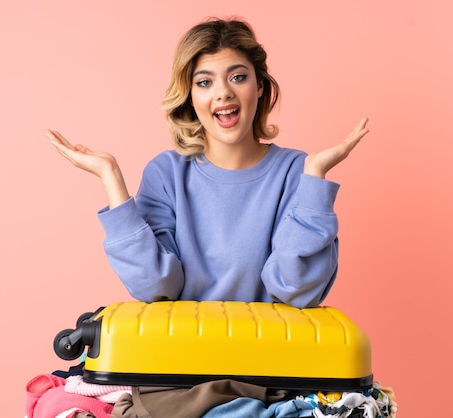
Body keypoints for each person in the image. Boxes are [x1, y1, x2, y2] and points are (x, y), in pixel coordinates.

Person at [47, 18, 369, 309]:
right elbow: (157, 286)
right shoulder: (165, 174)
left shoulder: (294, 173)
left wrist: (314, 179)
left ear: (259, 87)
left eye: (238, 77)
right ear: (189, 95)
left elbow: (296, 290)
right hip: (181, 367)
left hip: (269, 364)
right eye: (204, 82)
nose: (223, 93)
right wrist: (111, 176)